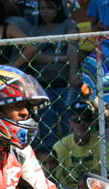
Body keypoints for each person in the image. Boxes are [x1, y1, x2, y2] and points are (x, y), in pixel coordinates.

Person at [10, 0, 78, 150]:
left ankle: (71, 153)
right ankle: (50, 156)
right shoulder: (35, 30)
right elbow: (32, 55)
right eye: (42, 8)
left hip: (64, 82)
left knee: (69, 123)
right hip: (42, 84)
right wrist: (59, 59)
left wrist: (73, 70)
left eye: (50, 7)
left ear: (59, 8)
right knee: (47, 126)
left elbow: (73, 48)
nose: (45, 11)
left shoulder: (68, 25)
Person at [48, 99, 109, 189]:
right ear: (70, 122)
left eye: (86, 119)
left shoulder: (103, 145)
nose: (82, 124)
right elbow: (52, 175)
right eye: (77, 120)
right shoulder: (60, 146)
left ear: (92, 122)